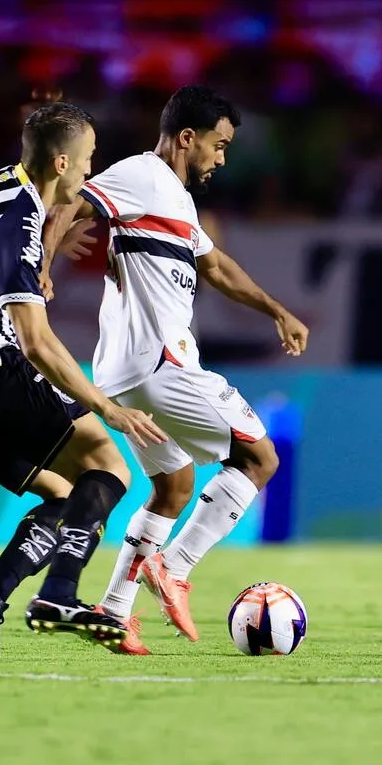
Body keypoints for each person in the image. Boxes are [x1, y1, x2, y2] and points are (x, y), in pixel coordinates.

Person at [42, 85, 309, 654]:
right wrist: (40, 268)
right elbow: (67, 202)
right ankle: (177, 567)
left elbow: (216, 267)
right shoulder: (142, 175)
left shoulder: (178, 202)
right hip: (159, 362)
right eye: (220, 144)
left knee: (173, 486)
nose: (222, 158)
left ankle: (114, 614)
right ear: (188, 137)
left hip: (123, 371)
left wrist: (276, 310)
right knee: (260, 458)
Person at [0, 101, 168, 659]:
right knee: (107, 462)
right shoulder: (21, 216)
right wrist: (107, 406)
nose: (89, 172)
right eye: (86, 160)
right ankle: (58, 594)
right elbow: (35, 341)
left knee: (68, 497)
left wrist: (41, 268)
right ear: (60, 162)